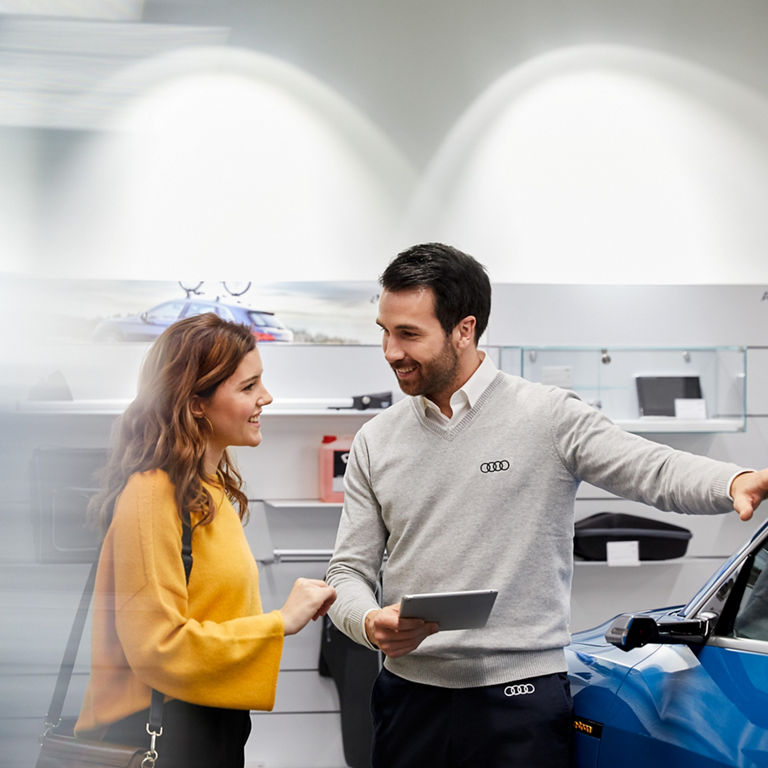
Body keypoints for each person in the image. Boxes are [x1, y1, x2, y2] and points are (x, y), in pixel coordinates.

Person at [325, 242, 768, 768]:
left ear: (464, 330)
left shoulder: (547, 416)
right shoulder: (377, 439)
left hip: (521, 701)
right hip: (408, 700)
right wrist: (368, 620)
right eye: (385, 330)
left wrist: (733, 479)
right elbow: (346, 570)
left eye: (408, 334)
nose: (390, 350)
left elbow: (650, 467)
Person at [75, 313, 336, 768]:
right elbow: (158, 646)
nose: (266, 398)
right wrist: (280, 622)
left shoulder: (206, 490)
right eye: (248, 386)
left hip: (206, 726)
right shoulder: (153, 493)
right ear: (196, 403)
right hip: (166, 734)